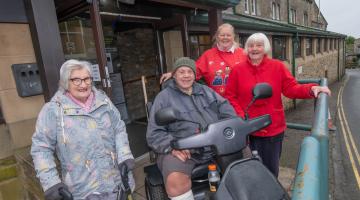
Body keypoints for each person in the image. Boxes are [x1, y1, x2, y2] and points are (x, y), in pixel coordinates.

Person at [225, 33, 331, 177]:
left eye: (259, 45)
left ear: (265, 48)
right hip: (247, 129)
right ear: (246, 48)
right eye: (251, 45)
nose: (254, 48)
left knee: (270, 170)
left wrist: (311, 89)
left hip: (272, 129)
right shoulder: (237, 70)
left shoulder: (277, 67)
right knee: (249, 171)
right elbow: (230, 96)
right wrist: (240, 115)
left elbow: (291, 88)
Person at [31, 59, 135, 200]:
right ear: (65, 82)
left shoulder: (103, 101)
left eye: (87, 79)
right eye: (76, 80)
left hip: (117, 182)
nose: (84, 84)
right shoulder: (53, 110)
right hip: (83, 190)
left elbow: (119, 128)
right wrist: (51, 183)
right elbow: (41, 148)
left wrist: (125, 156)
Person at [147, 57, 237, 200]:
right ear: (174, 75)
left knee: (244, 157)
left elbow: (227, 112)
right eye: (181, 72)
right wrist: (172, 148)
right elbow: (154, 133)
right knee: (175, 179)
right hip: (184, 149)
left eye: (190, 72)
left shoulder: (207, 91)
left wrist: (230, 130)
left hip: (214, 144)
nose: (186, 75)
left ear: (195, 75)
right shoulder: (163, 98)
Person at [160, 23, 247, 96]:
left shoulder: (243, 54)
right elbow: (194, 70)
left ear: (233, 37)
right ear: (217, 37)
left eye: (228, 35)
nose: (225, 37)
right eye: (222, 35)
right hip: (216, 102)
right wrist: (173, 73)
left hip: (239, 101)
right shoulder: (208, 55)